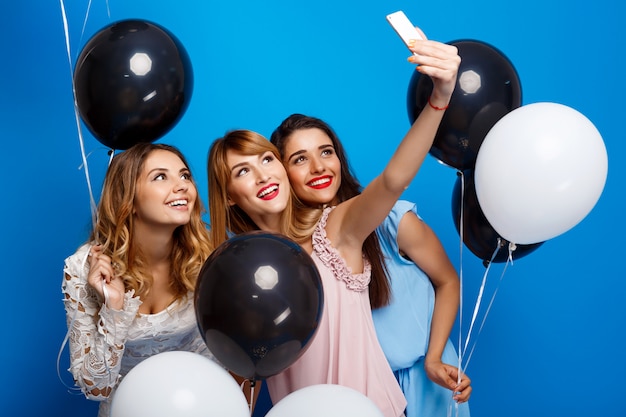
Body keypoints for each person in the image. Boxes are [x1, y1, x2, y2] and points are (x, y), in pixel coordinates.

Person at [207, 34, 460, 417]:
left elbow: (392, 181)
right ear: (227, 195)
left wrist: (439, 97)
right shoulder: (236, 274)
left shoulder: (335, 230)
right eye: (243, 170)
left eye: (267, 160)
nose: (263, 176)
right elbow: (243, 378)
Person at [270, 114, 471, 416]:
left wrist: (434, 358)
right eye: (300, 159)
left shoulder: (393, 223)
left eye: (326, 152)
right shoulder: (295, 256)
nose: (318, 167)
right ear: (283, 173)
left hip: (428, 378)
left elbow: (448, 281)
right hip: (358, 393)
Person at [62, 143, 217, 417]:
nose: (182, 185)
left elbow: (214, 357)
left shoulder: (205, 257)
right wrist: (114, 306)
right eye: (160, 176)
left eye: (184, 175)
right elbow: (94, 387)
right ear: (129, 200)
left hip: (198, 405)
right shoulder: (83, 267)